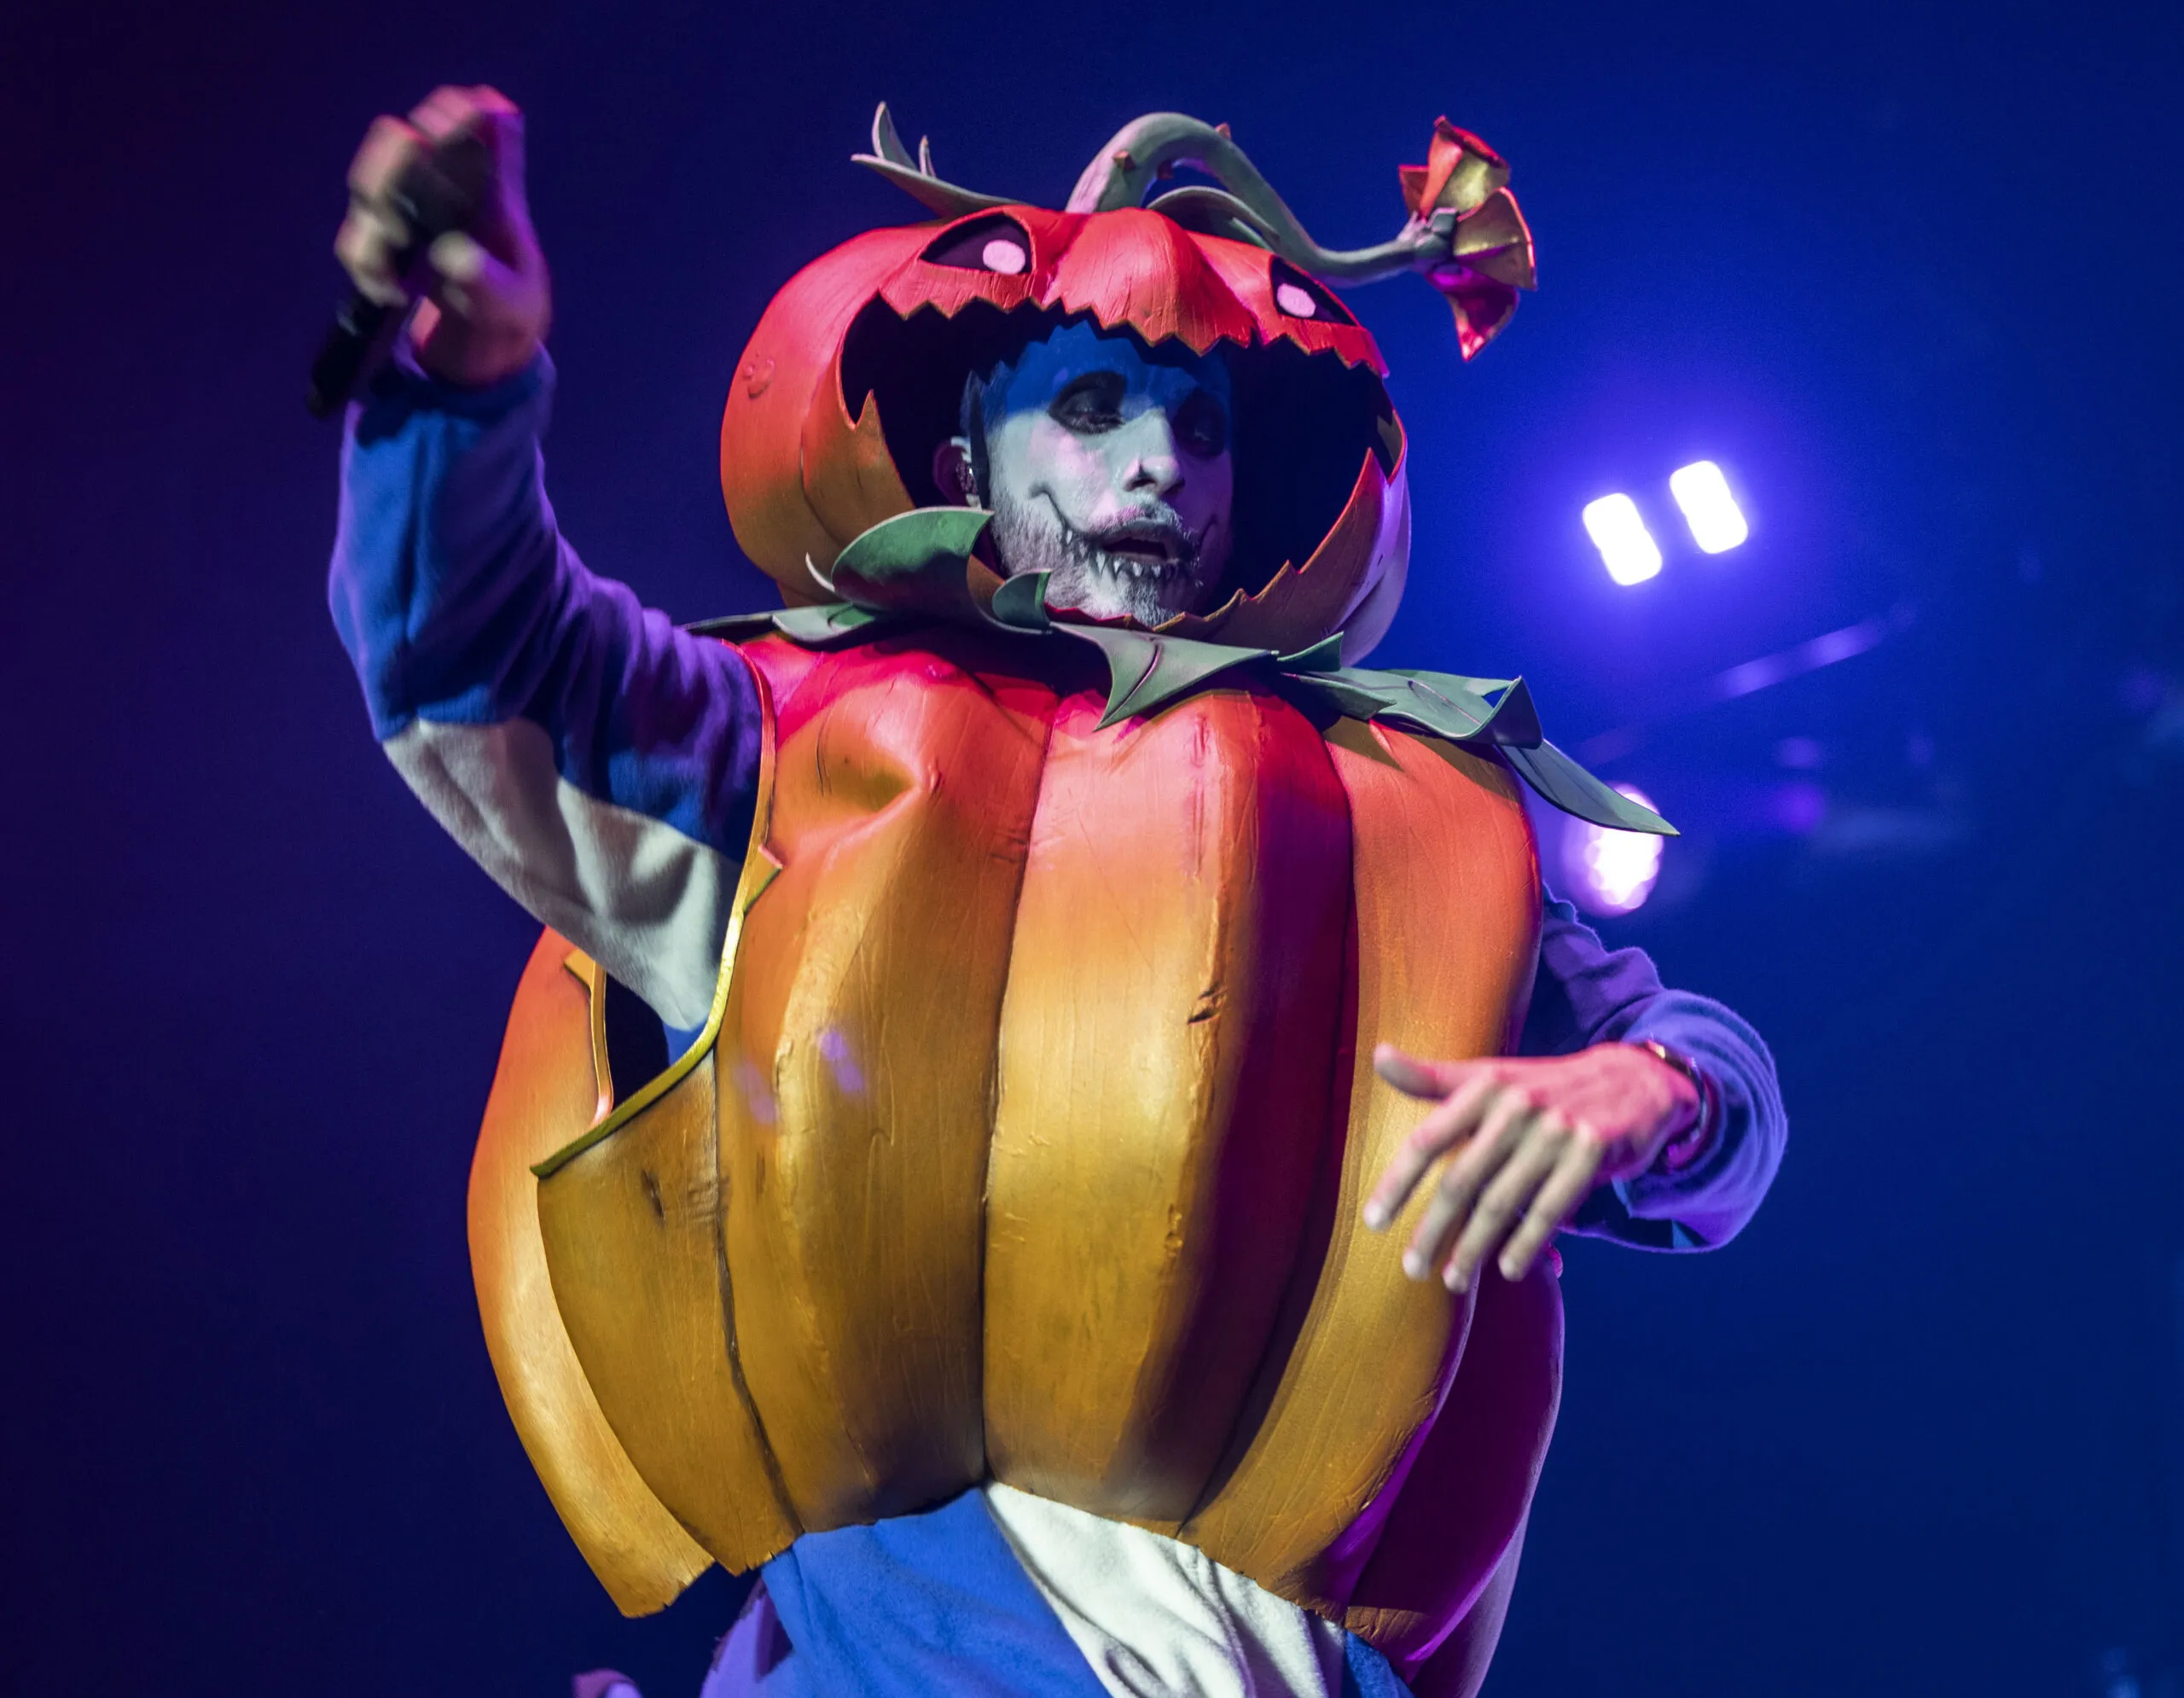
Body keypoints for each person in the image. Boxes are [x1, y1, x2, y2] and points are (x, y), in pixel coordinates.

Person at [331, 85, 1785, 1698]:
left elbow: (1705, 1081)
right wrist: (460, 390)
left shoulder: (1396, 821)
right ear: (966, 447)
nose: (1160, 467)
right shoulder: (793, 764)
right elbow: (482, 661)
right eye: (1091, 407)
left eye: (1207, 427)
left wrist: (1646, 1092)